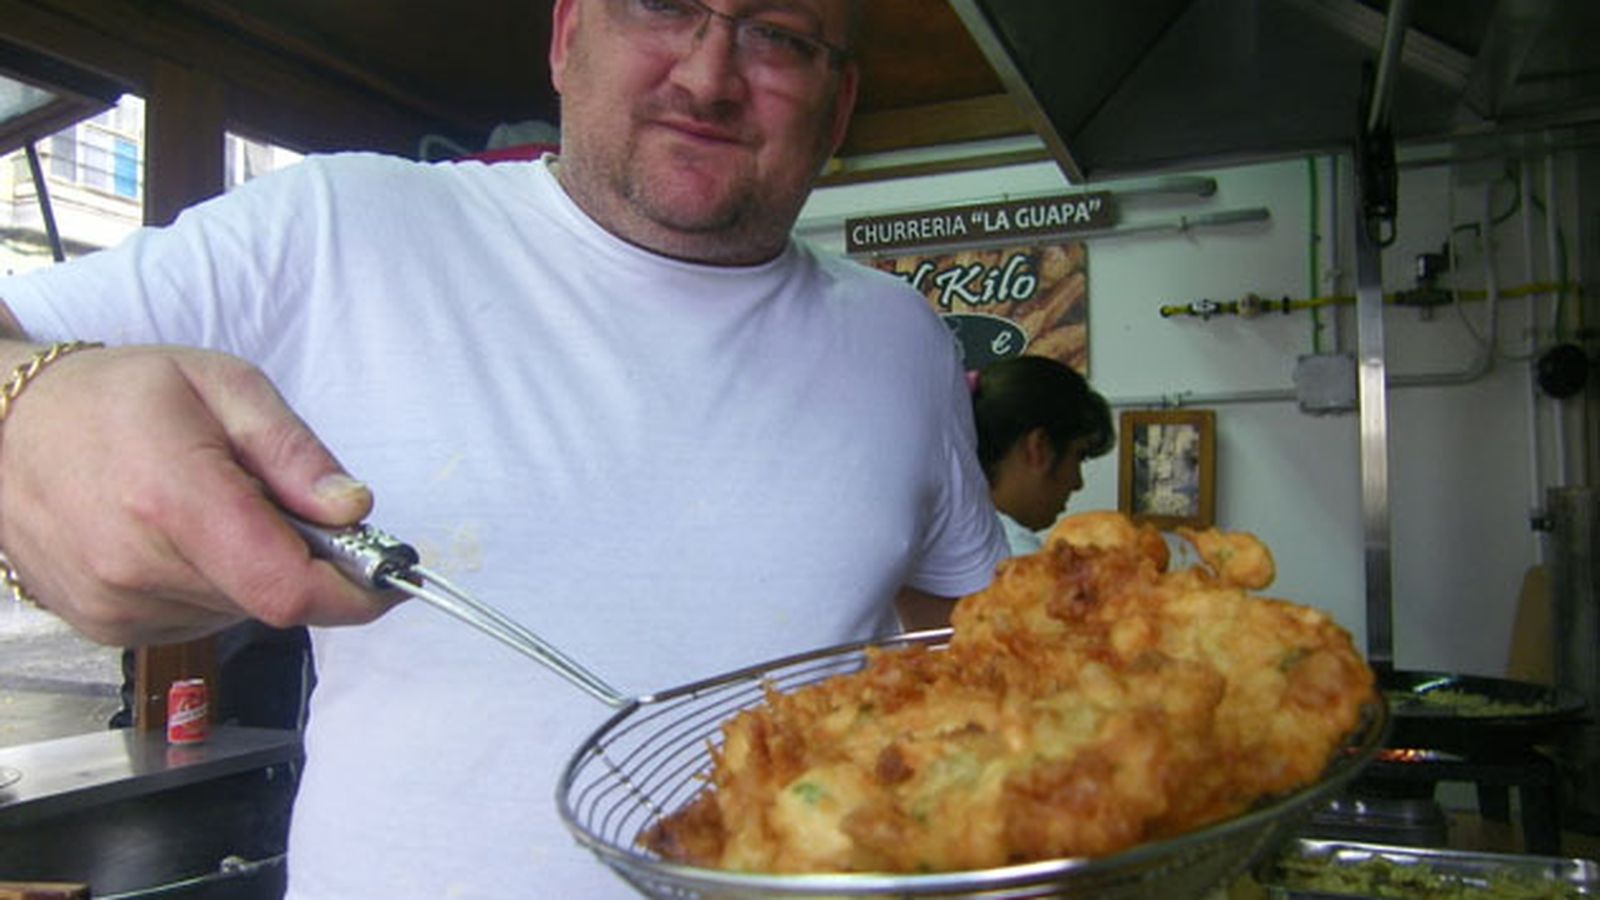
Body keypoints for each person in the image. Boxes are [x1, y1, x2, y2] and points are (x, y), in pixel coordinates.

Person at [0, 0, 1006, 895]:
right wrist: (24, 408)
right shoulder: (341, 228)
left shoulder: (901, 338)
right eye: (661, 7)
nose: (707, 73)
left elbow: (965, 639)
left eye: (778, 37)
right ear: (569, 35)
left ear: (837, 108)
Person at [970, 354, 1114, 555]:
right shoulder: (1017, 559)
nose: (1078, 483)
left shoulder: (943, 533)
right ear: (1039, 448)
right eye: (1078, 457)